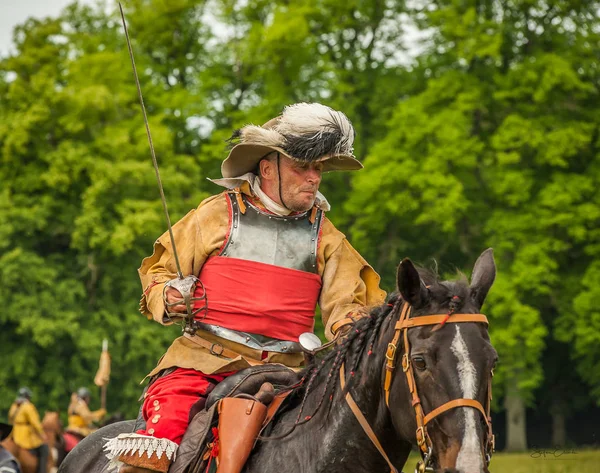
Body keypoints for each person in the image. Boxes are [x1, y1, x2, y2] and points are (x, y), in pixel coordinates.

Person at [105, 102, 386, 473]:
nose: (314, 178)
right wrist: (169, 295)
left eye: (318, 168)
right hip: (203, 363)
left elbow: (348, 305)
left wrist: (353, 327)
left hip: (291, 372)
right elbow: (160, 273)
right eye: (302, 167)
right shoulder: (216, 214)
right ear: (267, 168)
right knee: (156, 442)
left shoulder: (328, 238)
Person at [8, 388, 48, 473]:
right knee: (43, 448)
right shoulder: (28, 406)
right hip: (25, 435)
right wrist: (42, 434)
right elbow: (35, 422)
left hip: (14, 433)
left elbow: (10, 419)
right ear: (27, 396)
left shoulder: (14, 406)